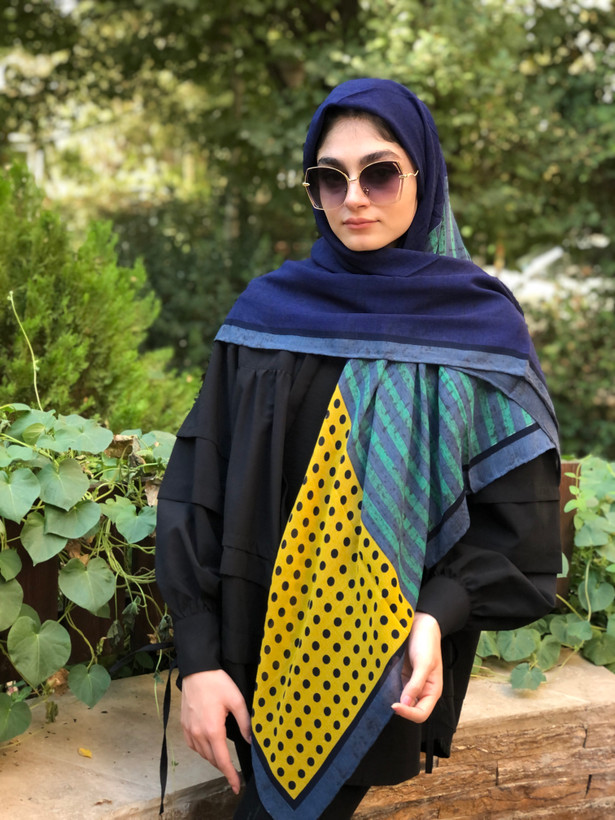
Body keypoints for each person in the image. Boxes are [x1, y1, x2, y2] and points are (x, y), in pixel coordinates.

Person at [155, 78, 562, 820]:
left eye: (379, 173)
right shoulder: (267, 313)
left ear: (423, 177)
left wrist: (436, 614)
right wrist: (200, 661)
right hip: (243, 655)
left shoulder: (477, 325)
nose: (353, 199)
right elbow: (199, 483)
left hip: (386, 655)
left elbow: (519, 528)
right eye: (329, 177)